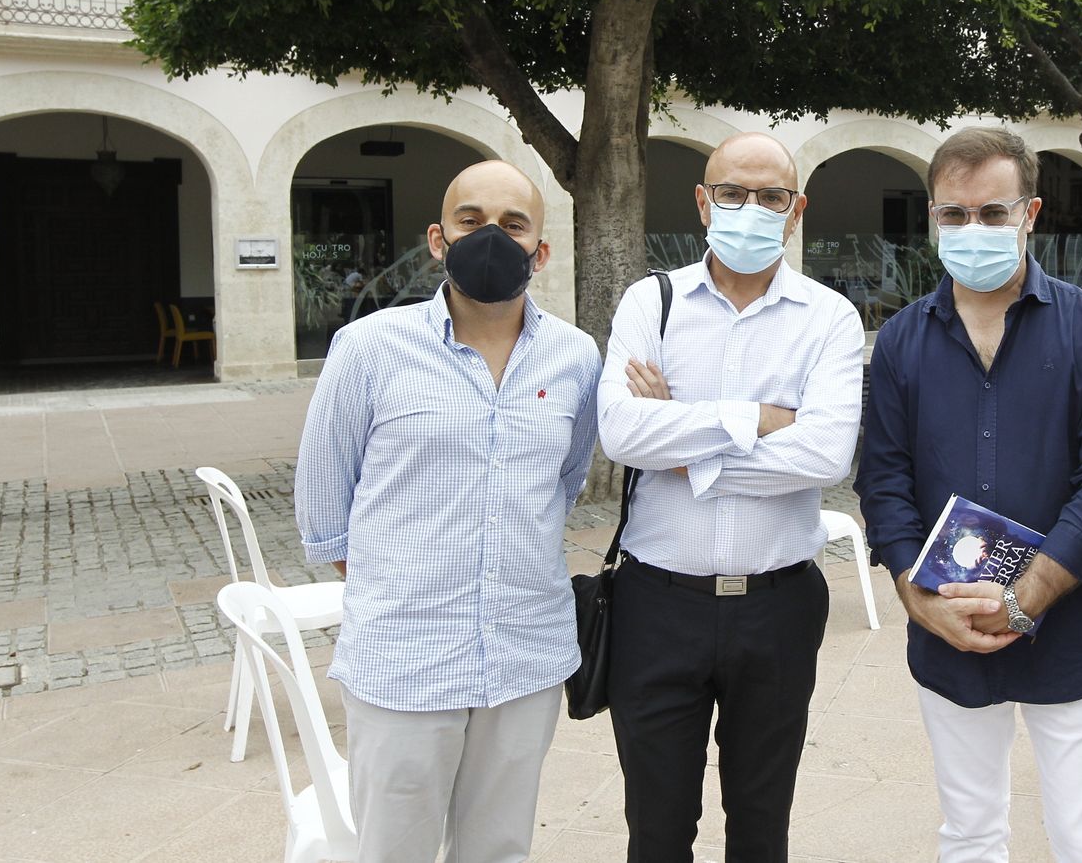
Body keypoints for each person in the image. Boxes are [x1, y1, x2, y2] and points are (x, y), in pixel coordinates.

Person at [856, 127, 1082, 863]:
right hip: (948, 630)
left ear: (1031, 212)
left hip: (1073, 630)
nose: (973, 229)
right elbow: (884, 481)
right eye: (954, 215)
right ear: (932, 218)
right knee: (969, 835)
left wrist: (1028, 597)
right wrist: (914, 596)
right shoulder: (900, 343)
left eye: (992, 212)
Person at [295, 160, 601, 863]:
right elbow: (323, 505)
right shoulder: (369, 349)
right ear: (439, 238)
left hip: (526, 656)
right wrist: (402, 583)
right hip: (406, 659)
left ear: (541, 250)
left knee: (499, 849)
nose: (490, 236)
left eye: (513, 224)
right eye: (471, 220)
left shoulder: (576, 358)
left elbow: (564, 479)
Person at [598, 132, 864, 863]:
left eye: (770, 196)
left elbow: (824, 453)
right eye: (732, 192)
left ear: (796, 209)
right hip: (658, 605)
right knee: (656, 827)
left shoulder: (829, 317)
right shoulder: (650, 302)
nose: (751, 208)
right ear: (702, 201)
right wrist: (756, 418)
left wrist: (683, 445)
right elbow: (622, 431)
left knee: (760, 825)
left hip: (778, 605)